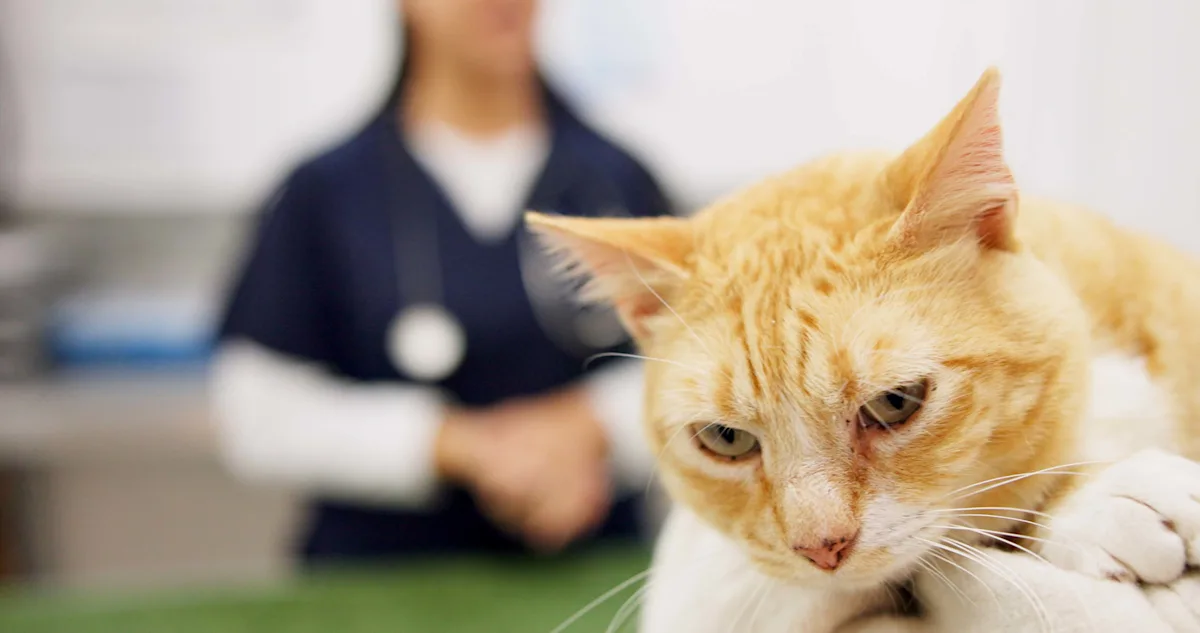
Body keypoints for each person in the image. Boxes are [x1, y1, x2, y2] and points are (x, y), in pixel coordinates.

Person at [211, 0, 672, 564]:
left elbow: (703, 371)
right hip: (378, 583)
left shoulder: (618, 179)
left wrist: (587, 429)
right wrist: (455, 446)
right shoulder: (324, 194)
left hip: (596, 573)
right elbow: (258, 416)